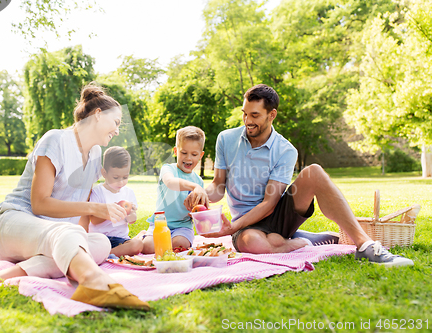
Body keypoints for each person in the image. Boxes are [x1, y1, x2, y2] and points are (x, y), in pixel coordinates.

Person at [0, 83, 150, 310]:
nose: (117, 131)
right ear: (97, 115)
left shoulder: (95, 155)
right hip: (12, 222)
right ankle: (93, 282)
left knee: (100, 243)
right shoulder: (55, 140)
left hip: (51, 236)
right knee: (68, 235)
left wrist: (82, 236)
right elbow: (39, 203)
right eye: (115, 123)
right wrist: (95, 209)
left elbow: (80, 211)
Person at [187, 84, 413, 267]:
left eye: (255, 115)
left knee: (314, 171)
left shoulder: (286, 150)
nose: (248, 121)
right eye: (244, 114)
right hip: (247, 226)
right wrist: (200, 192)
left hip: (277, 215)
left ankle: (365, 245)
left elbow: (270, 202)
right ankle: (301, 240)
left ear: (271, 115)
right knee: (251, 242)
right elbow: (218, 186)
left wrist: (230, 229)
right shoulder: (226, 139)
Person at [142, 126, 209, 253]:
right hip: (161, 223)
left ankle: (169, 240)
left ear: (200, 155)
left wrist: (196, 213)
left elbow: (198, 210)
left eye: (194, 154)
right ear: (175, 151)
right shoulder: (168, 169)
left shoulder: (198, 181)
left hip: (182, 227)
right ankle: (143, 235)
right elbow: (171, 183)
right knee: (148, 248)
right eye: (184, 153)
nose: (188, 158)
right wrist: (194, 187)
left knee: (178, 245)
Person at [78, 146, 144, 257]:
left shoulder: (128, 192)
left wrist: (129, 215)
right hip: (101, 238)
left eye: (125, 177)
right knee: (94, 245)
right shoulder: (97, 192)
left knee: (137, 245)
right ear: (104, 173)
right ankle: (106, 254)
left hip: (121, 239)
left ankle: (106, 255)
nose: (121, 182)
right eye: (116, 177)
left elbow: (132, 219)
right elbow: (93, 220)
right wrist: (110, 212)